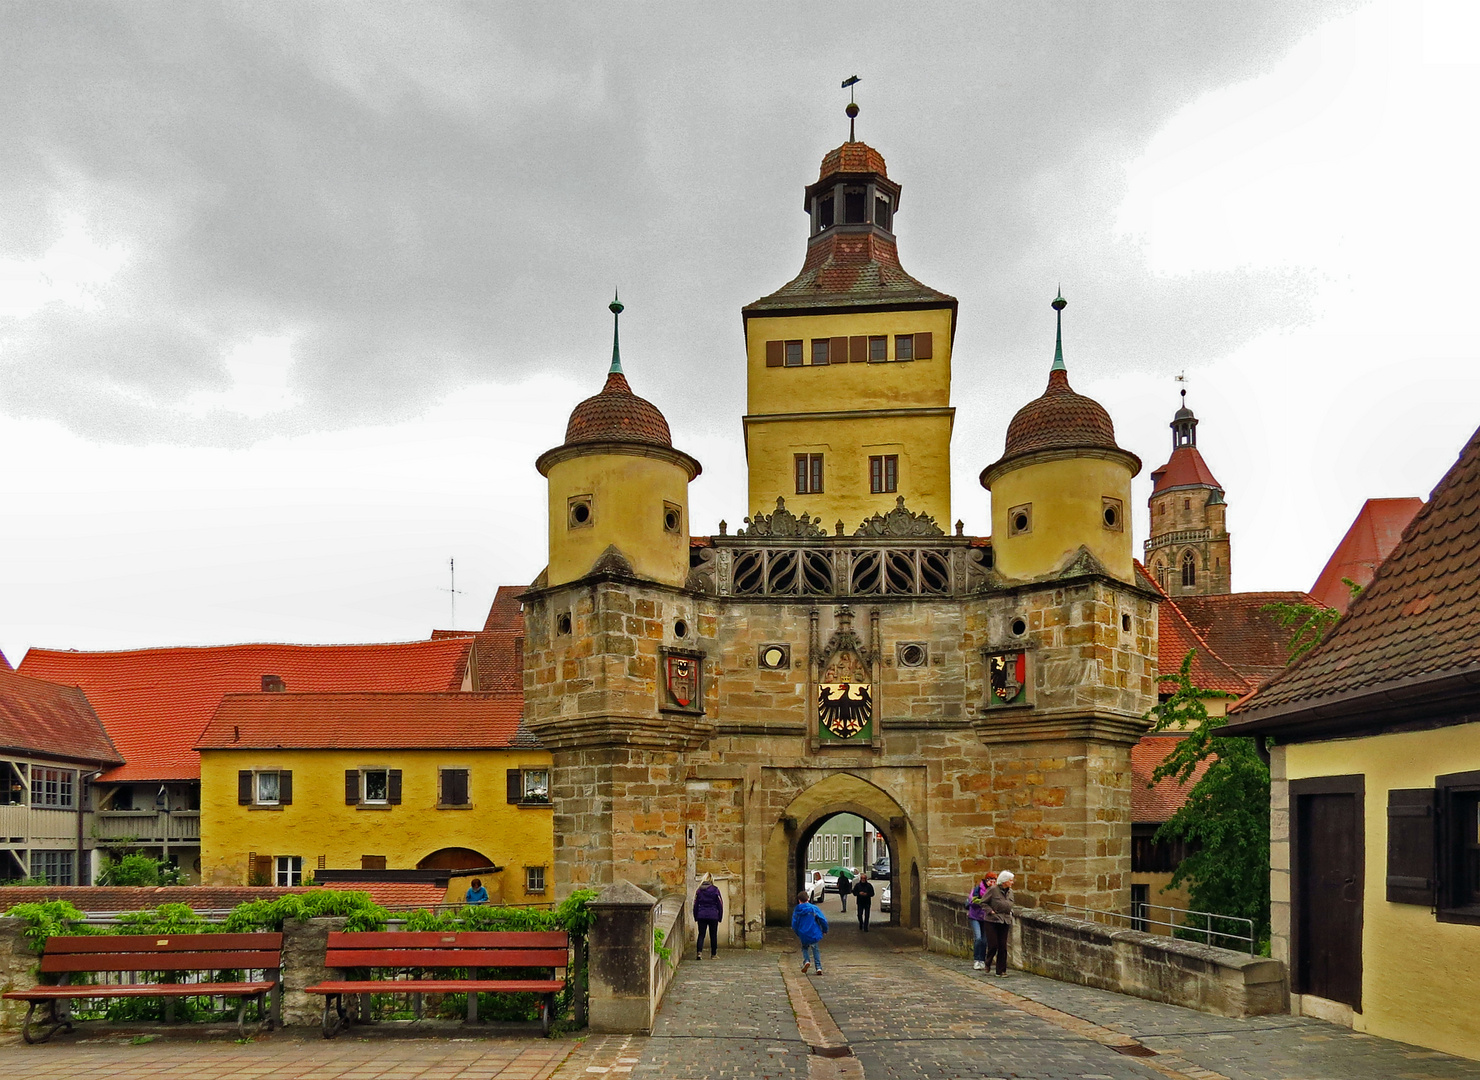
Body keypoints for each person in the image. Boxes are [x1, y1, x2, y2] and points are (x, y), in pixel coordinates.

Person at [981, 869, 1015, 976]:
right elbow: (983, 903)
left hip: (1005, 920)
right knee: (993, 944)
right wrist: (990, 911)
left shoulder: (1010, 892)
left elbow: (1010, 903)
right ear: (1004, 881)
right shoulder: (993, 890)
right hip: (992, 920)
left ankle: (1001, 970)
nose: (1012, 882)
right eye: (1010, 880)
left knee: (1003, 946)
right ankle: (988, 962)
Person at [791, 889, 828, 975]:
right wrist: (824, 929)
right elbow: (822, 919)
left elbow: (794, 923)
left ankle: (806, 961)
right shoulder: (813, 908)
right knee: (815, 949)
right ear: (808, 899)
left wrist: (798, 932)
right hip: (813, 932)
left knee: (804, 948)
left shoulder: (797, 910)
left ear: (799, 900)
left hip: (803, 932)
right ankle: (818, 967)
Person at [966, 871, 997, 970]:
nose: (992, 883)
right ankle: (976, 960)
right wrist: (985, 902)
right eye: (991, 881)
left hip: (986, 917)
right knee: (978, 938)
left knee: (984, 940)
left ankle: (982, 960)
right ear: (986, 880)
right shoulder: (978, 889)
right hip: (975, 916)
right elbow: (973, 900)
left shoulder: (995, 890)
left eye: (994, 881)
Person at [693, 872, 723, 960]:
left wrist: (695, 916)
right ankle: (713, 954)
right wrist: (720, 916)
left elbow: (695, 904)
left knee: (701, 934)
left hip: (701, 915)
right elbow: (720, 904)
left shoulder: (699, 890)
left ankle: (699, 953)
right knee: (713, 935)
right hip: (713, 915)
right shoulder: (715, 890)